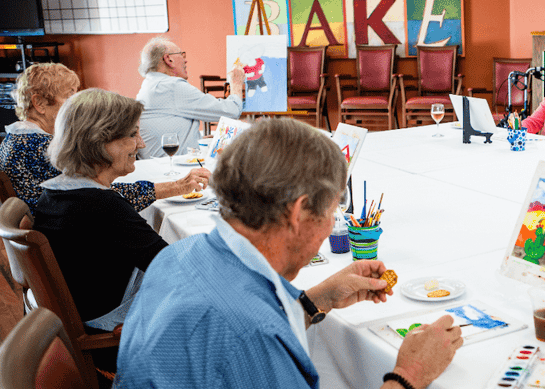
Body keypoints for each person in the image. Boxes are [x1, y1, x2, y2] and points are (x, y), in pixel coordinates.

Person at [114, 118, 462, 389]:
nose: (330, 227)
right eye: (331, 212)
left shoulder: (182, 253)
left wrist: (314, 301)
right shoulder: (252, 334)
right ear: (298, 213)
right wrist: (409, 373)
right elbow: (245, 333)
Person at [33, 89, 169, 374]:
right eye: (132, 134)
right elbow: (170, 265)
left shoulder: (55, 193)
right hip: (110, 341)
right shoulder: (99, 205)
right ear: (100, 142)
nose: (141, 143)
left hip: (83, 319)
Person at [0, 63, 208, 214]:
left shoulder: (14, 140)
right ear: (40, 104)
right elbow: (100, 198)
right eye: (70, 96)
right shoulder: (42, 147)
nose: (77, 105)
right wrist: (176, 187)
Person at [136, 36, 244, 158]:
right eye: (182, 55)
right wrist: (236, 83)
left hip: (160, 165)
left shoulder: (151, 85)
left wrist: (197, 139)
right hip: (172, 168)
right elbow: (232, 111)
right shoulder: (171, 86)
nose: (185, 61)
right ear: (168, 59)